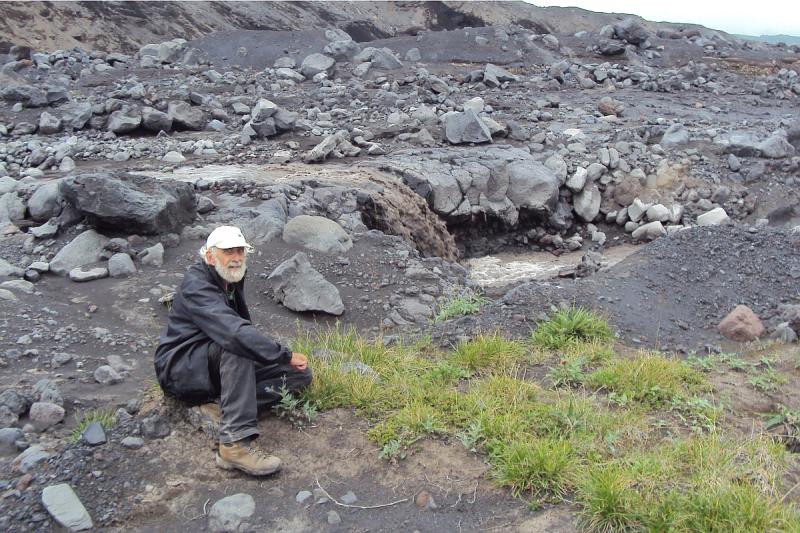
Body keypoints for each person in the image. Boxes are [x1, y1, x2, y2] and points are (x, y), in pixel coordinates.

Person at [154, 225, 312, 476]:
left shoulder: (228, 279)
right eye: (228, 251)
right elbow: (234, 333)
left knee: (298, 376)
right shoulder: (197, 284)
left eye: (240, 250)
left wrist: (282, 360)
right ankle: (234, 444)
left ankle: (219, 407)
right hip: (182, 370)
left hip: (211, 366)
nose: (236, 257)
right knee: (238, 348)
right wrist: (284, 353)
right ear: (209, 256)